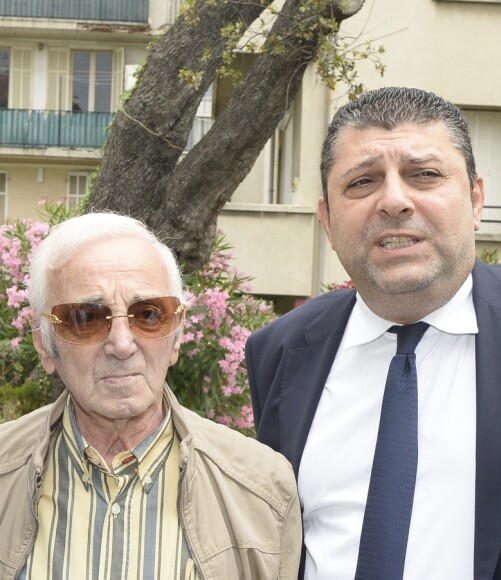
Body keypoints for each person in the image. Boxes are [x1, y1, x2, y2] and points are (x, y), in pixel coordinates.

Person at [245, 86, 501, 580]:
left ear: (476, 199)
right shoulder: (279, 350)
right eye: (362, 182)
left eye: (424, 175)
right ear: (327, 221)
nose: (395, 201)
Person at [0, 212, 301, 580]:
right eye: (87, 318)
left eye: (148, 314)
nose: (122, 344)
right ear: (45, 346)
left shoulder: (262, 489)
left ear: (176, 336)